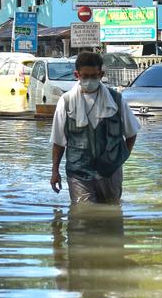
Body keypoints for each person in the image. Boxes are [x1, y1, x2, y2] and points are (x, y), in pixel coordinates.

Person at [50, 52, 141, 204]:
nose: (89, 80)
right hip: (78, 172)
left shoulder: (116, 100)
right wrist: (55, 172)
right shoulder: (65, 102)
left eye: (94, 76)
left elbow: (131, 133)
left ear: (101, 74)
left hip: (111, 172)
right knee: (83, 216)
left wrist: (120, 159)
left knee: (112, 216)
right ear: (76, 75)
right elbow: (59, 142)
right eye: (85, 76)